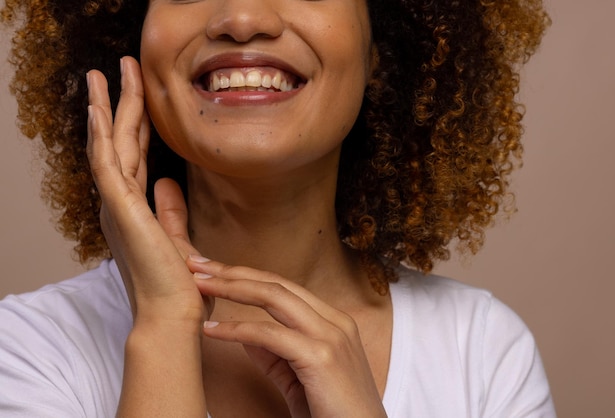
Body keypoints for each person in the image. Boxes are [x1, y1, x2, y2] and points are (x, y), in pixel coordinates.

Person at [0, 0, 555, 416]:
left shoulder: (482, 352)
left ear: (379, 48)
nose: (242, 19)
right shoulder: (29, 350)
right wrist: (165, 327)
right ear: (132, 43)